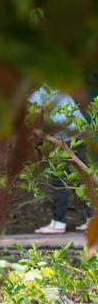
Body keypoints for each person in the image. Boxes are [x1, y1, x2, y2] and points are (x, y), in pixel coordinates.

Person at [30, 86, 93, 234]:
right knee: (83, 177)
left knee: (59, 178)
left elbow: (35, 115)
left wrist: (36, 136)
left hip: (63, 137)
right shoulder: (54, 83)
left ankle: (58, 223)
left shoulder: (39, 91)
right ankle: (93, 219)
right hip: (80, 133)